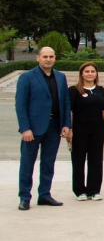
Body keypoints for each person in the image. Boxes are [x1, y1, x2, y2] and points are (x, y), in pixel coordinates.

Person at [15, 47, 71, 210]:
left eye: (51, 56)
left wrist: (66, 124)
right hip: (32, 129)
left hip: (54, 127)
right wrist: (25, 128)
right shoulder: (26, 77)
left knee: (48, 163)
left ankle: (45, 195)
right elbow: (20, 105)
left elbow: (66, 102)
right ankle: (25, 197)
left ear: (55, 58)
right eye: (45, 56)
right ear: (37, 58)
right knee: (27, 163)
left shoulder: (60, 77)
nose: (48, 59)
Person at [68, 62, 104, 201]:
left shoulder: (100, 90)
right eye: (87, 71)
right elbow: (71, 112)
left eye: (93, 71)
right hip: (79, 130)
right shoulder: (74, 90)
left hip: (97, 129)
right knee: (78, 160)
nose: (90, 73)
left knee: (96, 160)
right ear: (81, 74)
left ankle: (94, 190)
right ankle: (80, 190)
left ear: (96, 74)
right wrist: (70, 129)